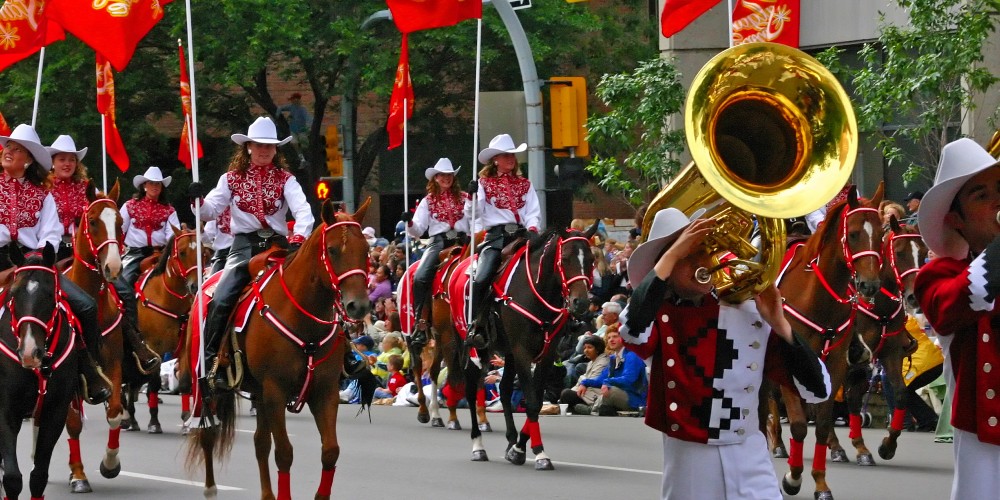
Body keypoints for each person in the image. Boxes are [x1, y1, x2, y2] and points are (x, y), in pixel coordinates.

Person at [618, 207, 830, 499]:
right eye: (688, 256)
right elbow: (631, 330)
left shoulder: (749, 314)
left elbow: (817, 390)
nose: (702, 263)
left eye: (705, 251)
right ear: (666, 269)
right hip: (689, 457)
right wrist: (672, 254)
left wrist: (780, 325)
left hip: (750, 452)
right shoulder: (658, 316)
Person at [189, 116, 321, 390]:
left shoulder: (287, 179)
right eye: (259, 145)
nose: (264, 150)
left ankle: (341, 353)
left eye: (269, 146)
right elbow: (211, 210)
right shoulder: (230, 179)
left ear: (276, 150)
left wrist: (299, 237)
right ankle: (212, 361)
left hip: (280, 246)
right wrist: (198, 201)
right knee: (221, 297)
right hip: (244, 248)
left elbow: (303, 210)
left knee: (318, 285)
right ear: (248, 146)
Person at [0, 124, 113, 404]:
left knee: (86, 305)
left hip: (32, 261)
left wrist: (36, 260)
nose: (8, 151)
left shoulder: (43, 194)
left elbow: (50, 233)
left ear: (28, 159)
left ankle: (89, 370)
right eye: (8, 147)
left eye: (16, 149)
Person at [913, 137, 1000, 499]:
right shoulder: (940, 275)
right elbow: (968, 296)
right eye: (981, 195)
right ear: (955, 220)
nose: (998, 200)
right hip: (985, 437)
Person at [465, 133, 539, 349]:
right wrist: (471, 197)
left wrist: (533, 228)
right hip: (496, 238)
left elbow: (533, 210)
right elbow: (474, 214)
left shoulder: (525, 184)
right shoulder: (483, 183)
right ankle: (477, 324)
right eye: (506, 155)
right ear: (495, 159)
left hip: (522, 235)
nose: (511, 159)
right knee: (482, 277)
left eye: (512, 155)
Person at [115, 165, 177, 373]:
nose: (155, 187)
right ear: (143, 186)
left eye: (158, 184)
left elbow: (173, 234)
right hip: (135, 253)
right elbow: (119, 229)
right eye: (151, 183)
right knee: (122, 282)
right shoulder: (130, 206)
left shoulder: (169, 210)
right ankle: (126, 324)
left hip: (160, 253)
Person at [402, 158, 470, 347]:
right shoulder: (428, 201)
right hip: (439, 243)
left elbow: (475, 219)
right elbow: (418, 230)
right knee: (420, 277)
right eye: (442, 175)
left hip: (464, 241)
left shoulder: (465, 197)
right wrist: (409, 223)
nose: (446, 178)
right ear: (435, 178)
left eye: (449, 175)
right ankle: (421, 322)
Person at [580, 329, 646, 415]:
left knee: (611, 391)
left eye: (615, 336)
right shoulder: (613, 358)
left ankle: (593, 409)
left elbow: (629, 379)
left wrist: (608, 382)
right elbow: (601, 379)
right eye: (609, 338)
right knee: (584, 390)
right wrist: (584, 383)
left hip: (634, 398)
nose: (611, 340)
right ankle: (600, 408)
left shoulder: (632, 355)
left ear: (624, 338)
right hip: (621, 394)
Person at [45, 135, 90, 260]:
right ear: (53, 162)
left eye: (72, 160)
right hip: (51, 247)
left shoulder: (87, 188)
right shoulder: (43, 187)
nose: (67, 164)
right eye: (62, 159)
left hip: (81, 247)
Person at [559, 335, 609, 414]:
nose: (586, 350)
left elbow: (592, 380)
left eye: (589, 347)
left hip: (595, 394)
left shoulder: (603, 361)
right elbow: (582, 380)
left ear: (598, 349)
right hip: (587, 391)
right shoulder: (591, 362)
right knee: (566, 393)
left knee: (566, 394)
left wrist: (583, 382)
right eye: (585, 348)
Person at [202, 207, 233, 274]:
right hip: (223, 255)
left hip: (247, 248)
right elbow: (206, 238)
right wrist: (201, 231)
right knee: (214, 281)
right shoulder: (217, 207)